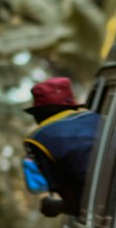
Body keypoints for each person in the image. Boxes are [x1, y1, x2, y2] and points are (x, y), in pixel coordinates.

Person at [22, 78, 101, 218]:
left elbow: (76, 206)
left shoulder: (39, 140)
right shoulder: (102, 118)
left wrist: (50, 205)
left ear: (39, 114)